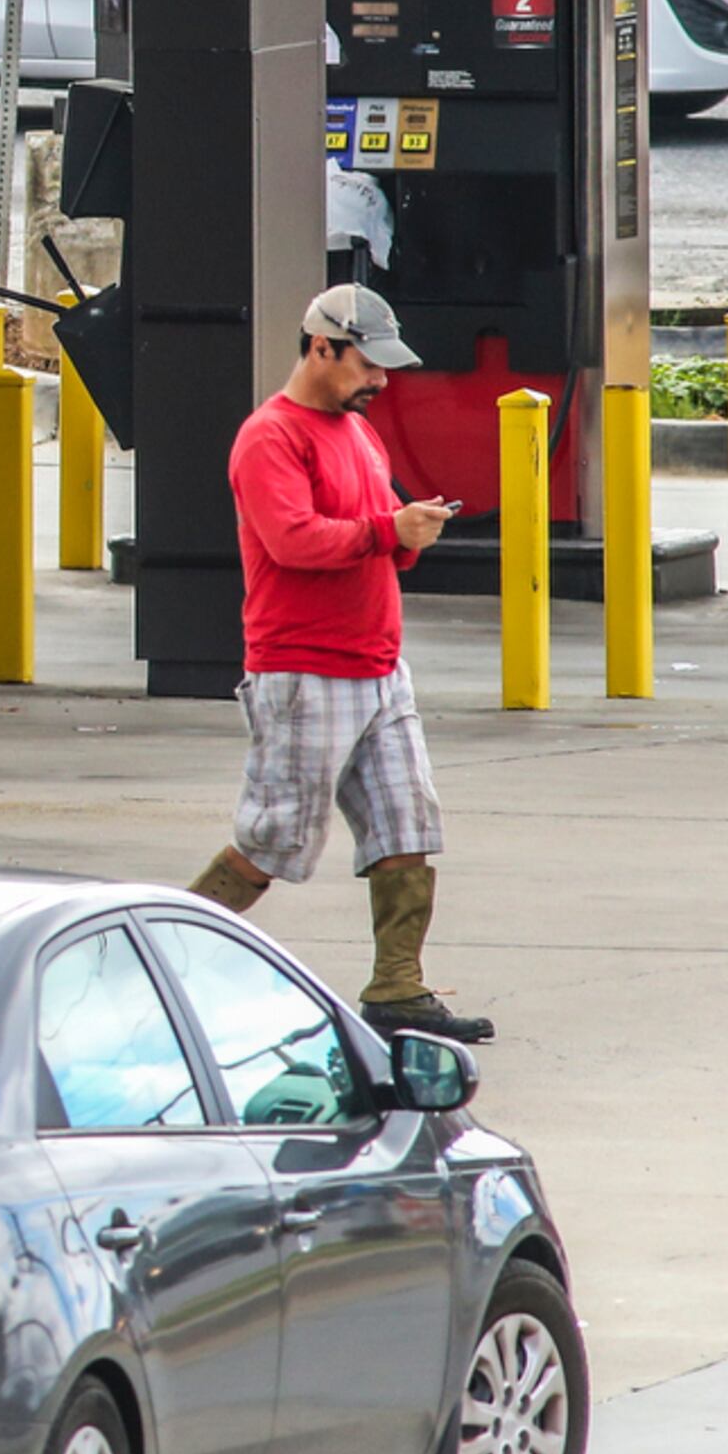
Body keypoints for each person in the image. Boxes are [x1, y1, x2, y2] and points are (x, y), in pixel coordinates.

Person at [181, 286, 491, 1042]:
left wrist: (410, 531)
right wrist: (392, 530)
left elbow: (375, 533)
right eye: (368, 364)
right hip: (303, 671)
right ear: (322, 347)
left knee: (406, 823)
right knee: (272, 840)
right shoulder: (269, 438)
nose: (380, 381)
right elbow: (293, 540)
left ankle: (397, 987)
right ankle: (164, 968)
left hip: (379, 669)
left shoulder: (360, 435)